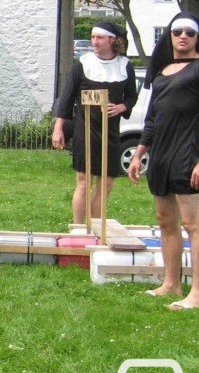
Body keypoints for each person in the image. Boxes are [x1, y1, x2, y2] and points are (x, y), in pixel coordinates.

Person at [127, 12, 199, 310]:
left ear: (198, 38)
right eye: (177, 31)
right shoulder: (162, 72)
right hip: (161, 156)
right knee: (165, 221)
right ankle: (171, 284)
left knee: (193, 223)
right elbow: (153, 119)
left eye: (190, 32)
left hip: (187, 153)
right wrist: (140, 154)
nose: (183, 36)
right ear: (169, 35)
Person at [51, 22, 138, 224]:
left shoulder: (125, 66)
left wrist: (122, 107)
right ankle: (80, 228)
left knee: (106, 183)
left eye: (99, 38)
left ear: (112, 40)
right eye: (92, 37)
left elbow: (132, 97)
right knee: (84, 181)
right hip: (86, 130)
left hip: (111, 131)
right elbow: (66, 98)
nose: (94, 42)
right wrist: (58, 128)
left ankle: (97, 227)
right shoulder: (82, 63)